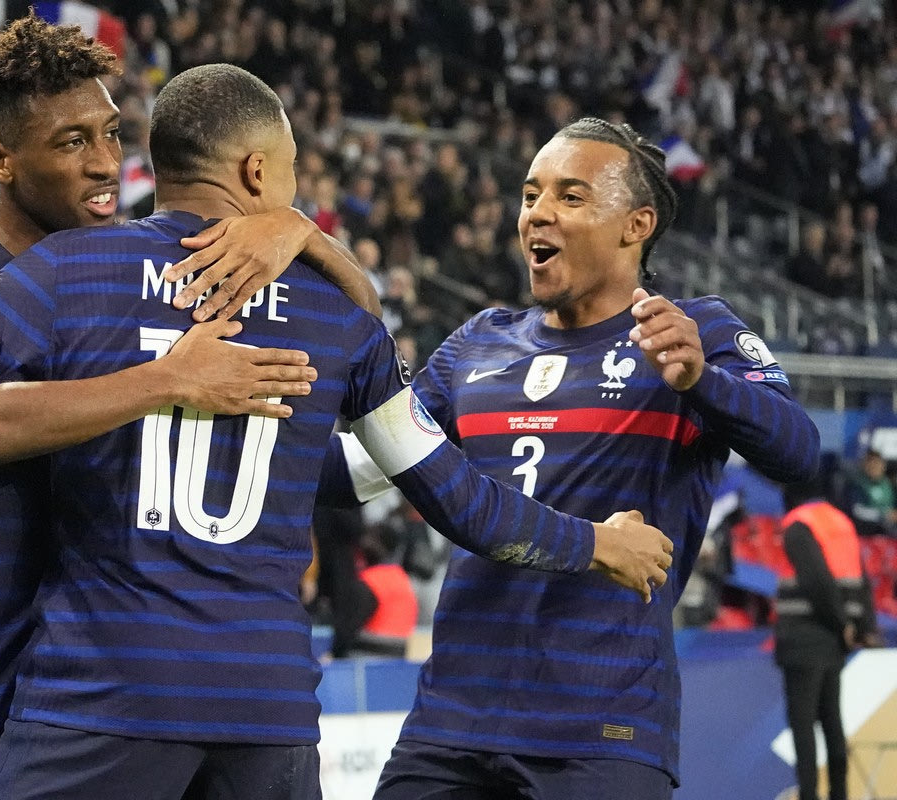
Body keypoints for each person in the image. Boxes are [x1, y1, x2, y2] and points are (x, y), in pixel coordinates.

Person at [0, 64, 672, 800]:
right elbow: (457, 500)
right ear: (256, 170)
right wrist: (593, 542)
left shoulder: (57, 275)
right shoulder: (336, 316)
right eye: (292, 168)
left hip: (98, 698)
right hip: (266, 715)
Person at [0, 16, 379, 800]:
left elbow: (337, 361)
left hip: (92, 691)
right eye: (72, 142)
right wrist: (166, 379)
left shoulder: (130, 277)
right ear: (0, 160)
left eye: (109, 133)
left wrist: (302, 235)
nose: (105, 163)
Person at [312, 118, 821, 799]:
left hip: (599, 732)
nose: (538, 213)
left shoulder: (693, 331)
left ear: (636, 225)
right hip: (452, 725)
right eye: (530, 195)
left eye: (570, 196)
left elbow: (799, 452)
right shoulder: (476, 344)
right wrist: (240, 427)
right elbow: (357, 470)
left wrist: (704, 381)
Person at [776, 476, 878, 800]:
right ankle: (839, 793)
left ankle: (809, 793)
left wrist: (840, 622)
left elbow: (816, 580)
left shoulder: (798, 526)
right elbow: (861, 579)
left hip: (804, 636)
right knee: (832, 720)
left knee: (803, 722)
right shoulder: (841, 522)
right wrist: (862, 627)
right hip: (834, 641)